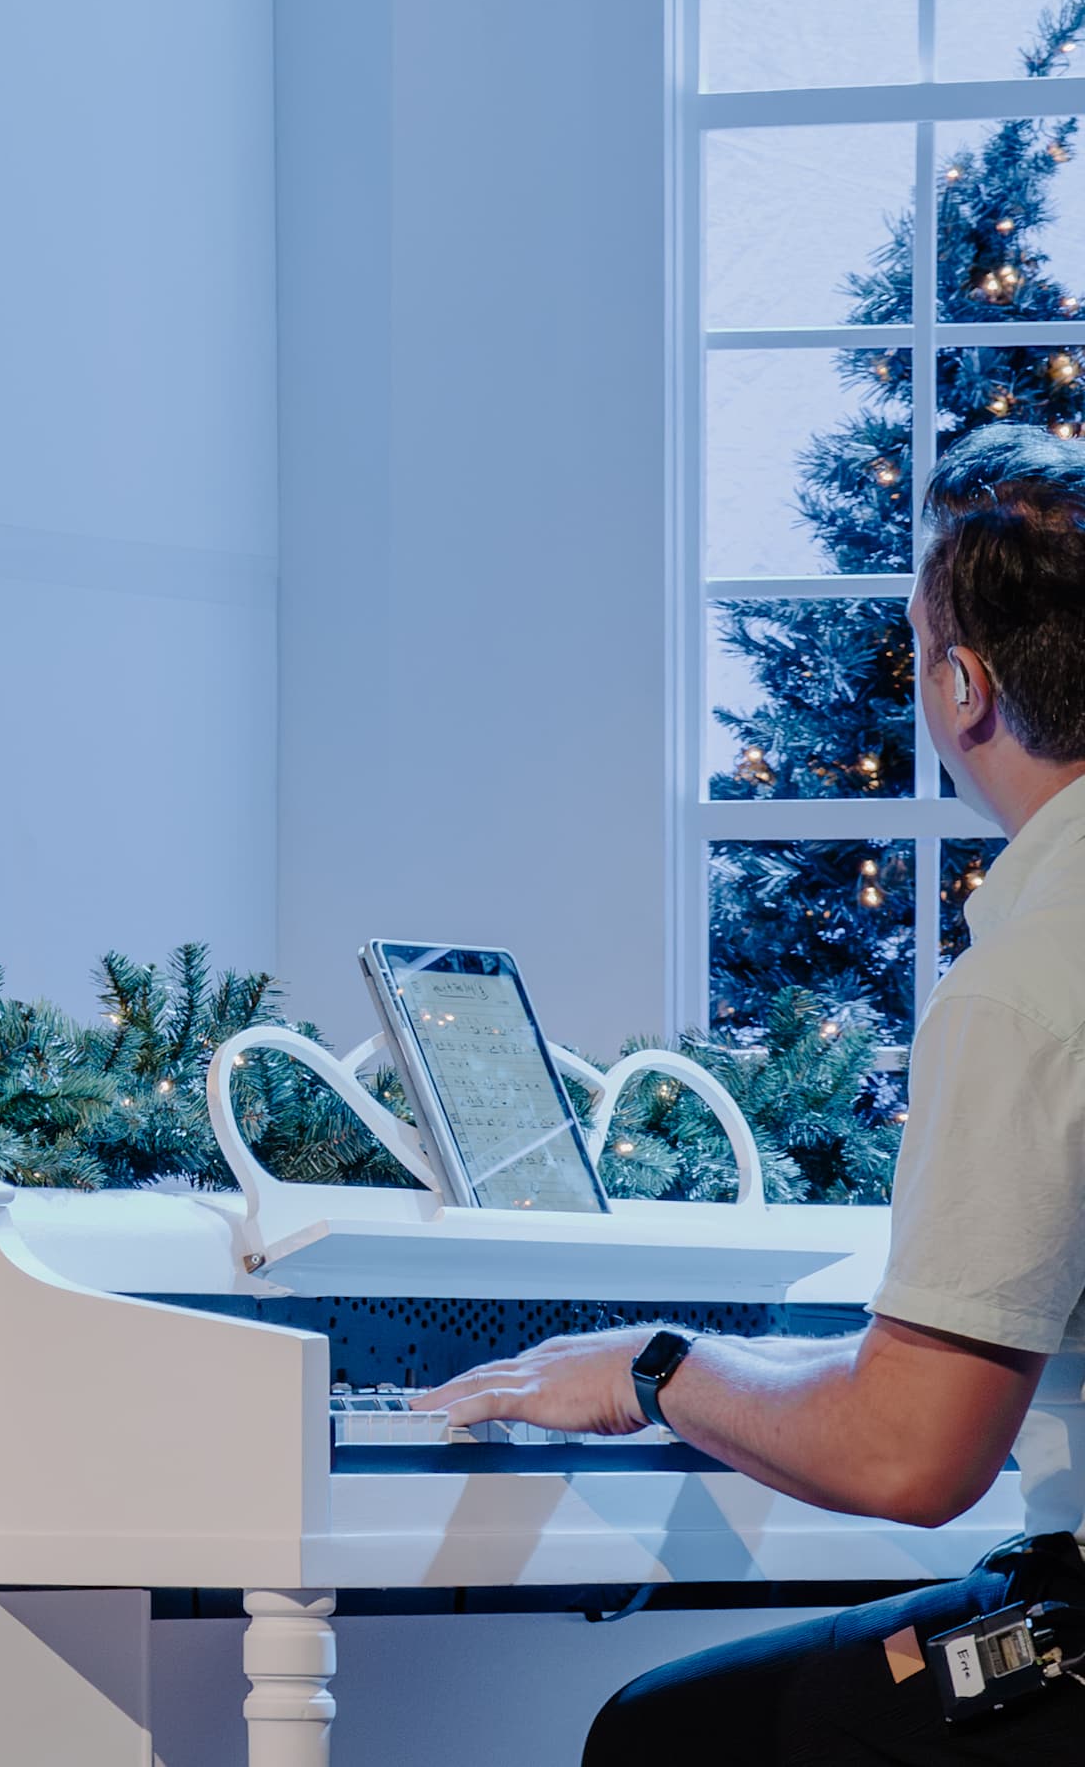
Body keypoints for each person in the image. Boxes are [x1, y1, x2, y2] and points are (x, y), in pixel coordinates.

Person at [433, 423, 1085, 1762]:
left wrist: (655, 1366)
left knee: (667, 1739)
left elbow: (913, 1451)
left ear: (963, 687)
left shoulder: (1028, 984)